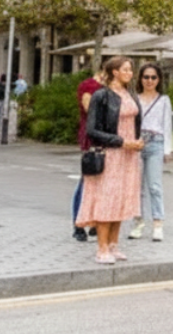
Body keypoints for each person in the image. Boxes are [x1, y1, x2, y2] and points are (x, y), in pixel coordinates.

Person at [76, 57, 144, 264]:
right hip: (111, 153)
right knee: (107, 199)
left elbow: (135, 121)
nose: (130, 73)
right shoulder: (101, 95)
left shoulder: (130, 94)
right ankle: (102, 247)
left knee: (122, 199)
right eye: (126, 69)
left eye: (131, 70)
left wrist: (138, 141)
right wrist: (122, 142)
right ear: (114, 72)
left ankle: (114, 244)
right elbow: (92, 129)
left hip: (129, 155)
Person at [129, 63, 171, 242]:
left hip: (156, 143)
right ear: (140, 79)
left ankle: (158, 224)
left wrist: (167, 150)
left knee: (154, 186)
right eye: (146, 77)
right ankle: (138, 222)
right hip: (137, 144)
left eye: (153, 77)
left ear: (159, 80)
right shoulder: (134, 99)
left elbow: (167, 125)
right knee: (136, 187)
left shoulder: (163, 100)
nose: (149, 81)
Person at [72, 67, 105, 242]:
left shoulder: (107, 88)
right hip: (93, 140)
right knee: (87, 181)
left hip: (103, 140)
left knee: (100, 183)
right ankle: (79, 223)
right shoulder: (90, 86)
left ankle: (94, 222)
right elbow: (89, 109)